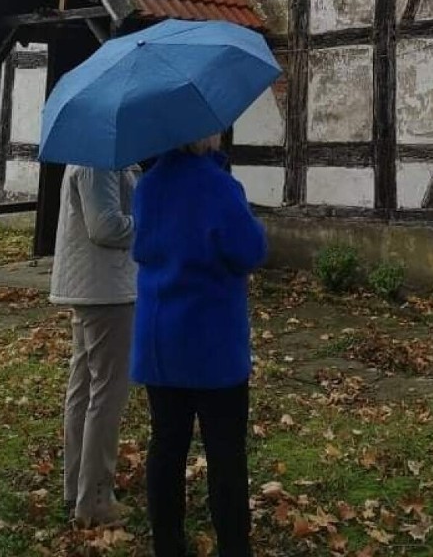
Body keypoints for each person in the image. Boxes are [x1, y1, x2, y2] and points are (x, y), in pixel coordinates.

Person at [130, 133, 267, 557]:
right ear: (205, 134)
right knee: (225, 453)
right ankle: (233, 547)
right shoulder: (218, 185)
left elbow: (142, 248)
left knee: (166, 445)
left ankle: (168, 545)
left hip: (161, 339)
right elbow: (252, 249)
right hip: (212, 344)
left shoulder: (148, 184)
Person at [49, 165, 138, 526]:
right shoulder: (98, 159)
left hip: (94, 286)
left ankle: (79, 488)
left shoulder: (97, 155)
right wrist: (149, 223)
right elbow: (104, 227)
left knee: (85, 389)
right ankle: (96, 499)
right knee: (105, 394)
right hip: (105, 289)